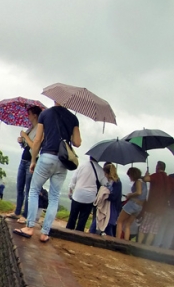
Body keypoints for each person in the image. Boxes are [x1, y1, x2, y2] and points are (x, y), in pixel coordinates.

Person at [13, 102, 81, 242]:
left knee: (33, 190)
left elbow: (37, 140)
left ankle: (29, 227)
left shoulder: (45, 114)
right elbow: (77, 142)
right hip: (63, 161)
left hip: (47, 156)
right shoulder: (73, 118)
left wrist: (33, 160)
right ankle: (45, 233)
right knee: (54, 197)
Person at [11, 105, 42, 224]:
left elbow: (35, 145)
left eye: (29, 114)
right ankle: (17, 211)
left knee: (28, 190)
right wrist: (21, 140)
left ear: (35, 115)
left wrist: (25, 136)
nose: (27, 116)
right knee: (20, 187)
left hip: (31, 161)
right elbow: (26, 145)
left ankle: (25, 214)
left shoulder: (40, 129)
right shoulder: (30, 129)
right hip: (23, 160)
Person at [66, 156, 107, 231]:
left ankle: (67, 232)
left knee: (72, 217)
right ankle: (78, 235)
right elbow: (105, 183)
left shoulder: (82, 165)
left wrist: (70, 190)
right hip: (90, 198)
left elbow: (74, 179)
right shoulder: (100, 170)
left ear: (90, 157)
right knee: (83, 219)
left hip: (78, 195)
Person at [138, 161, 172, 246]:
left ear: (158, 167)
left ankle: (138, 246)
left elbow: (145, 179)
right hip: (162, 209)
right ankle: (146, 248)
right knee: (153, 230)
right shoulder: (168, 178)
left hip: (152, 207)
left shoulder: (156, 176)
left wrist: (146, 175)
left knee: (144, 227)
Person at [117, 167, 147, 241]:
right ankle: (126, 242)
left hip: (133, 204)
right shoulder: (143, 181)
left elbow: (139, 192)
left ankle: (117, 240)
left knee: (119, 221)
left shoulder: (138, 181)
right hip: (139, 207)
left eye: (130, 176)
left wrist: (130, 195)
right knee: (128, 225)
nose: (130, 178)